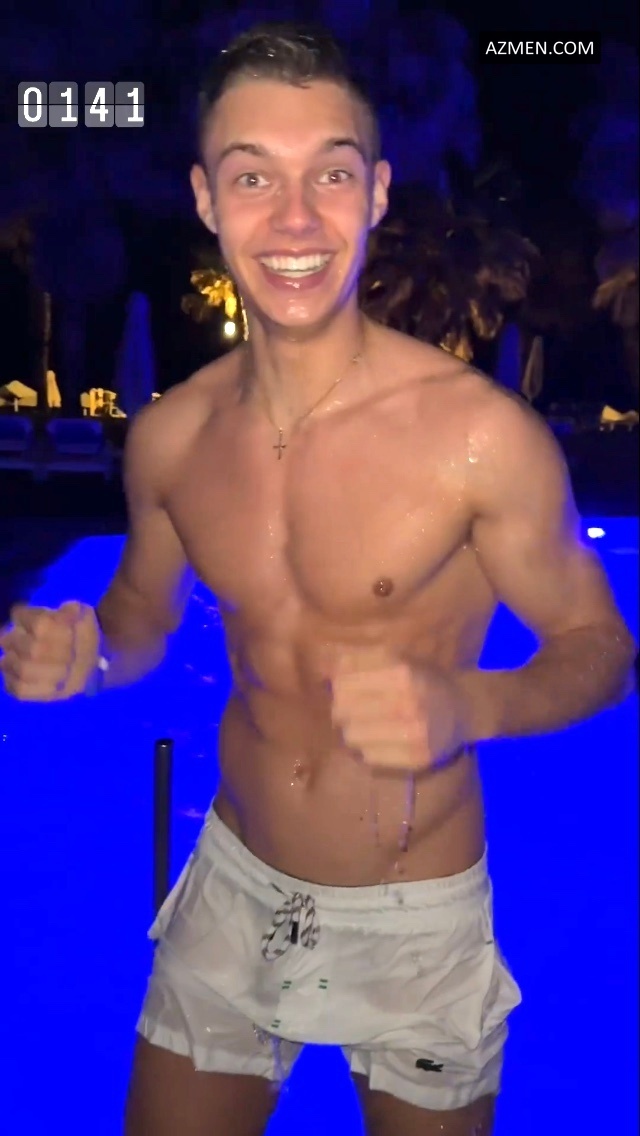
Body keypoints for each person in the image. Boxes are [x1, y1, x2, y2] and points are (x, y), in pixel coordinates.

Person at [0, 23, 635, 1136]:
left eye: (329, 175)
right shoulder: (173, 438)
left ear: (375, 193)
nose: (295, 220)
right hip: (233, 889)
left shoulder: (479, 438)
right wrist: (88, 654)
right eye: (254, 177)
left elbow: (601, 648)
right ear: (205, 198)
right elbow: (140, 615)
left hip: (415, 916)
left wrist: (471, 704)